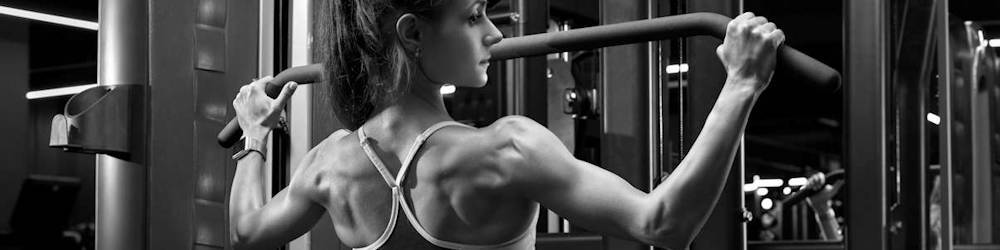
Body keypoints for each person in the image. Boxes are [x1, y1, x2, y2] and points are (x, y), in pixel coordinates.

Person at [227, 0, 785, 248]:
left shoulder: (330, 163)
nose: (493, 33)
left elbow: (246, 234)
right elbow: (664, 224)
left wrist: (254, 139)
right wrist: (741, 85)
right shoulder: (506, 150)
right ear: (413, 35)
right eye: (473, 17)